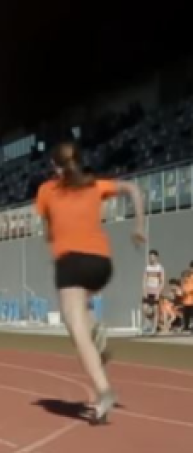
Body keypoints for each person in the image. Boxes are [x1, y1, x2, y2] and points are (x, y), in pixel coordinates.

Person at [35, 142, 145, 424]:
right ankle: (95, 330)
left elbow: (47, 231)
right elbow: (133, 188)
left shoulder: (47, 190)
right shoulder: (95, 185)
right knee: (79, 318)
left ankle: (104, 390)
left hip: (70, 263)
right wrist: (139, 225)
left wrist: (55, 236)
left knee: (77, 332)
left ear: (55, 167)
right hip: (101, 265)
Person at [142, 249, 165, 334]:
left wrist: (158, 292)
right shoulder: (147, 267)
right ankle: (148, 324)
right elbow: (144, 280)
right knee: (145, 309)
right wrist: (144, 290)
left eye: (153, 257)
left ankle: (154, 328)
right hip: (148, 290)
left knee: (155, 310)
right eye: (150, 257)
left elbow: (162, 281)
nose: (151, 258)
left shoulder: (160, 268)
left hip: (155, 291)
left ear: (156, 257)